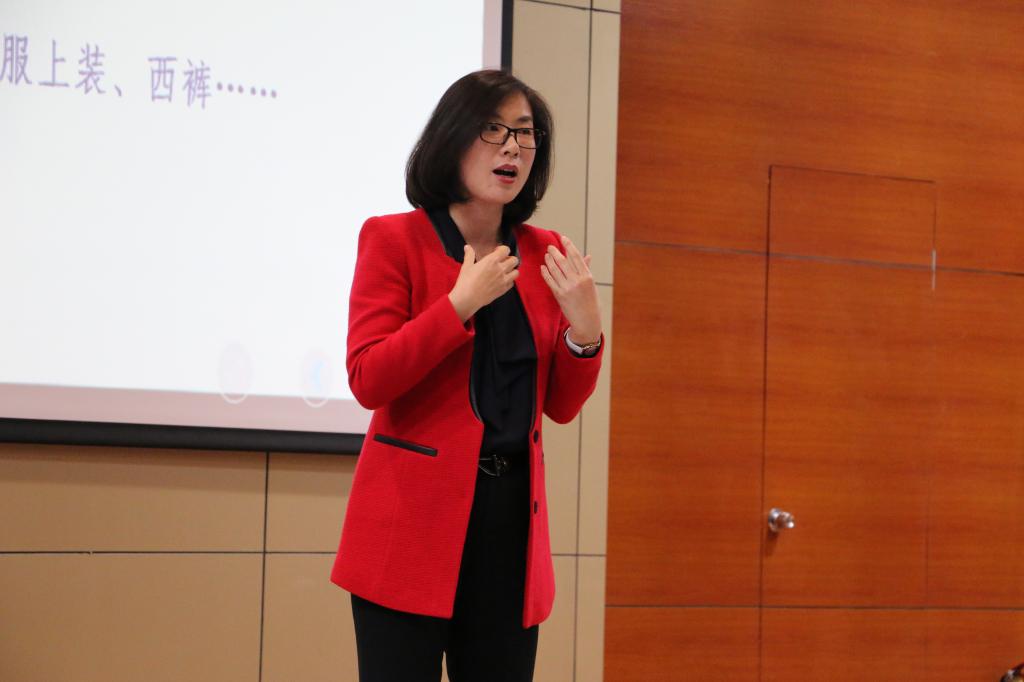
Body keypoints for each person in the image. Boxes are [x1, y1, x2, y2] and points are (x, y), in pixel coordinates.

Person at [330, 69, 604, 682]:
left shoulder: (546, 253)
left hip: (509, 528)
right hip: (409, 529)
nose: (513, 147)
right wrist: (458, 305)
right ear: (453, 139)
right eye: (493, 130)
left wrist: (585, 335)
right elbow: (369, 377)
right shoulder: (392, 239)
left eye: (525, 134)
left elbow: (559, 407)